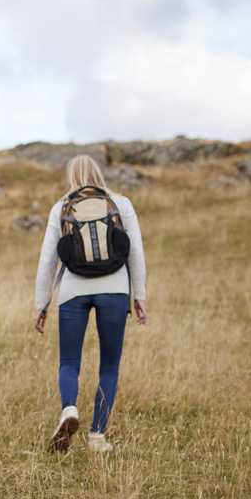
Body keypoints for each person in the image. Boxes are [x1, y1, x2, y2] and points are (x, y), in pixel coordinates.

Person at [33, 155, 147, 453]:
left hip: (73, 291)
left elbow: (48, 259)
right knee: (109, 365)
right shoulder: (120, 203)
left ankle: (69, 409)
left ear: (71, 176)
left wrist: (41, 303)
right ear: (99, 173)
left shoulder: (61, 207)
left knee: (69, 362)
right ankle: (97, 436)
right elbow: (135, 252)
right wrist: (139, 296)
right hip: (115, 290)